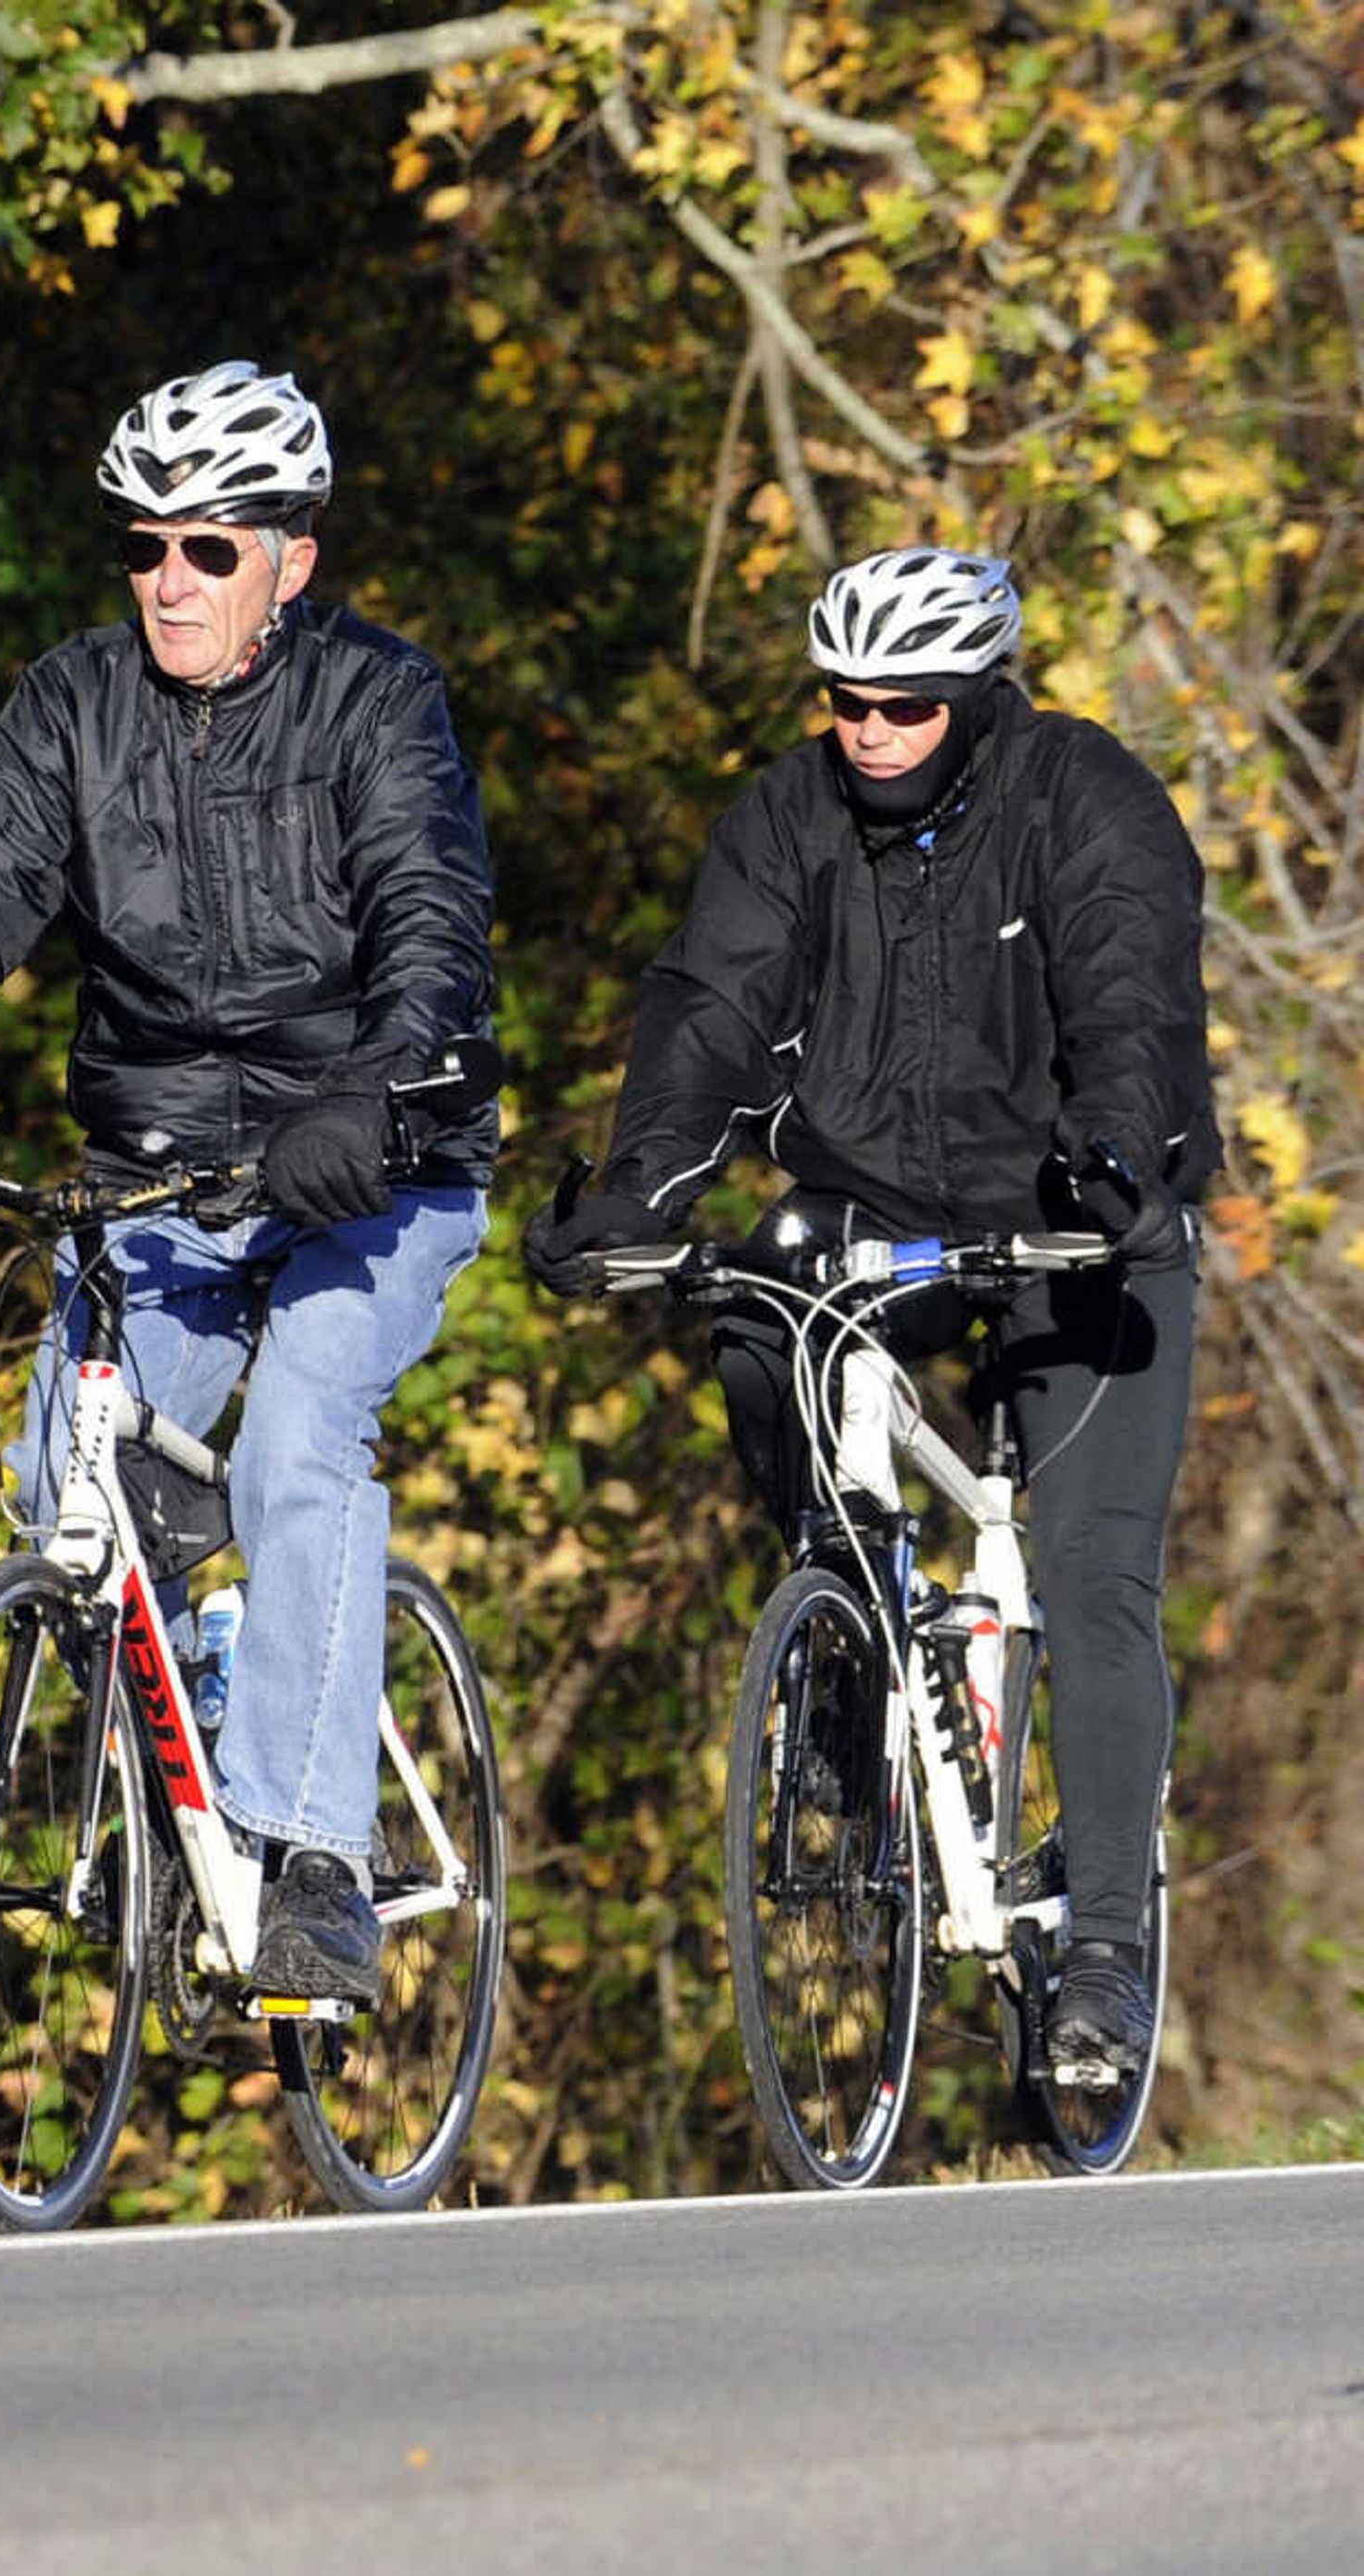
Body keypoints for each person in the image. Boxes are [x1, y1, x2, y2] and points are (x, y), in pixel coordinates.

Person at [0, 361, 498, 2001]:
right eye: (145, 546)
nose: (171, 578)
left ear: (291, 560)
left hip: (374, 1163)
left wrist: (372, 1094)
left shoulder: (382, 706)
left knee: (303, 1436)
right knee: (65, 1488)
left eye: (211, 547)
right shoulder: (72, 705)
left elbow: (430, 930)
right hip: (163, 1171)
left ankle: (313, 1856)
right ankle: (243, 1691)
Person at [525, 544, 1211, 2087]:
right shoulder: (789, 813)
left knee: (1094, 1574)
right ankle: (843, 1636)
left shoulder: (1081, 795)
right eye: (846, 702)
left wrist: (1117, 1152)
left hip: (1076, 1208)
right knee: (757, 1308)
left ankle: (1102, 1951)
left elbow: (1131, 994)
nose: (872, 731)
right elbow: (710, 1003)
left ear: (975, 702)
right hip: (871, 1197)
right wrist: (638, 1190)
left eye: (907, 706)